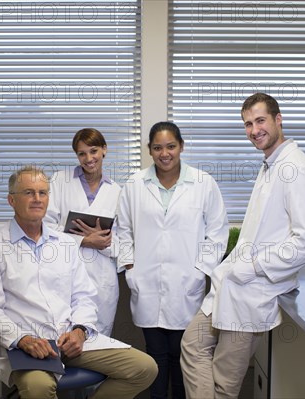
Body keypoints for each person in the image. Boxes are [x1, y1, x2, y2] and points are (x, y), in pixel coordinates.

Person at [180, 92, 305, 398]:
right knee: (192, 344)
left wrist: (255, 266)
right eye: (248, 124)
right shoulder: (270, 164)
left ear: (278, 119)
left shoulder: (295, 167)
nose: (254, 130)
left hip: (253, 290)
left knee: (224, 383)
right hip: (233, 284)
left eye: (260, 120)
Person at [0, 165, 157, 399]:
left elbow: (83, 297)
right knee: (39, 387)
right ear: (11, 200)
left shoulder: (65, 244)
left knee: (144, 368)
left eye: (43, 193)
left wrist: (79, 331)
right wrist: (23, 339)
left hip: (70, 339)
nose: (37, 199)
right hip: (29, 345)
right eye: (28, 193)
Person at [117, 122, 229, 399]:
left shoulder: (203, 183)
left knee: (183, 357)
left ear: (181, 146)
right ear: (149, 150)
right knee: (155, 357)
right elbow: (122, 230)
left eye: (170, 146)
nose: (164, 153)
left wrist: (199, 270)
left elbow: (217, 233)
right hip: (146, 282)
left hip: (186, 284)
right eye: (157, 148)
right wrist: (130, 267)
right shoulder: (135, 184)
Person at [45, 128, 122, 336]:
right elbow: (45, 228)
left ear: (104, 150)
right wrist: (83, 240)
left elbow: (122, 241)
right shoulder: (60, 182)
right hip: (64, 273)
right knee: (62, 339)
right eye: (82, 153)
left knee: (99, 344)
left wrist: (103, 242)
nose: (89, 158)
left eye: (94, 151)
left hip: (102, 279)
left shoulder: (117, 191)